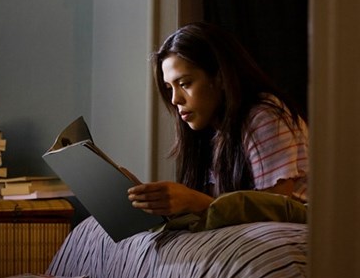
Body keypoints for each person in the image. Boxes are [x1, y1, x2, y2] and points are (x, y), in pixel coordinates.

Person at [128, 21, 309, 217]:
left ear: (220, 77)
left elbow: (277, 210)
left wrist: (196, 202)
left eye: (184, 83)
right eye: (169, 88)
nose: (175, 99)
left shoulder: (264, 115)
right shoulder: (212, 133)